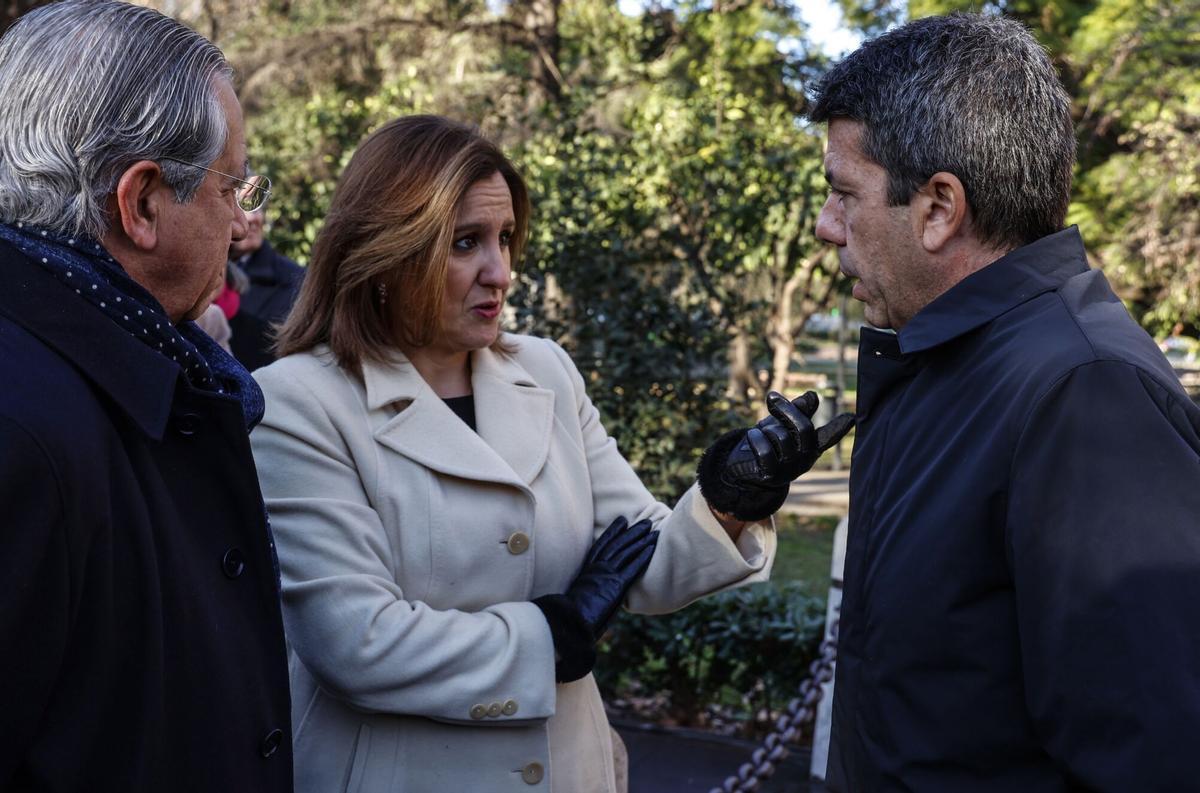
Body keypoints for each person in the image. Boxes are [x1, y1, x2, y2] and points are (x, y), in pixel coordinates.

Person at [249, 114, 852, 793]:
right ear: (387, 250)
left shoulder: (547, 371)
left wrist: (730, 500)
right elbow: (355, 642)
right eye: (465, 243)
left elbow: (639, 562)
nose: (500, 270)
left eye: (505, 238)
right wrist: (551, 635)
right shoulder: (298, 403)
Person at [809, 13, 1200, 791]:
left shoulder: (1084, 395)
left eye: (843, 194)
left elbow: (1152, 755)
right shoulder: (955, 362)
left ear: (938, 209)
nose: (826, 228)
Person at [0, 2, 292, 790]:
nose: (241, 225)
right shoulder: (26, 429)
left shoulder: (109, 371)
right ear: (142, 202)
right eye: (234, 185)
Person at [226, 205, 305, 370]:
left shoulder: (295, 280)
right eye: (240, 205)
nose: (252, 218)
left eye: (256, 208)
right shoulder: (196, 275)